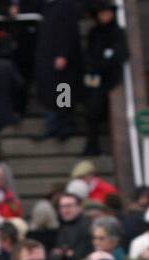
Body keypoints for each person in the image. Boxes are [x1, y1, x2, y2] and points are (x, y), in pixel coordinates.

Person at [81, 2, 127, 157]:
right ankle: (92, 145)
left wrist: (104, 63)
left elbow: (121, 54)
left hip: (109, 78)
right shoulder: (95, 33)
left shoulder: (117, 33)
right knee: (91, 110)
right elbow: (89, 54)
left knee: (103, 110)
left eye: (107, 13)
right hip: (94, 78)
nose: (104, 17)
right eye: (101, 14)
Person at [35, 0, 81, 141]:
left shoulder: (66, 5)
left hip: (62, 59)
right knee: (51, 93)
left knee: (64, 90)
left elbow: (68, 30)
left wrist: (63, 54)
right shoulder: (48, 6)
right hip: (49, 58)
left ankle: (65, 125)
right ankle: (53, 125)